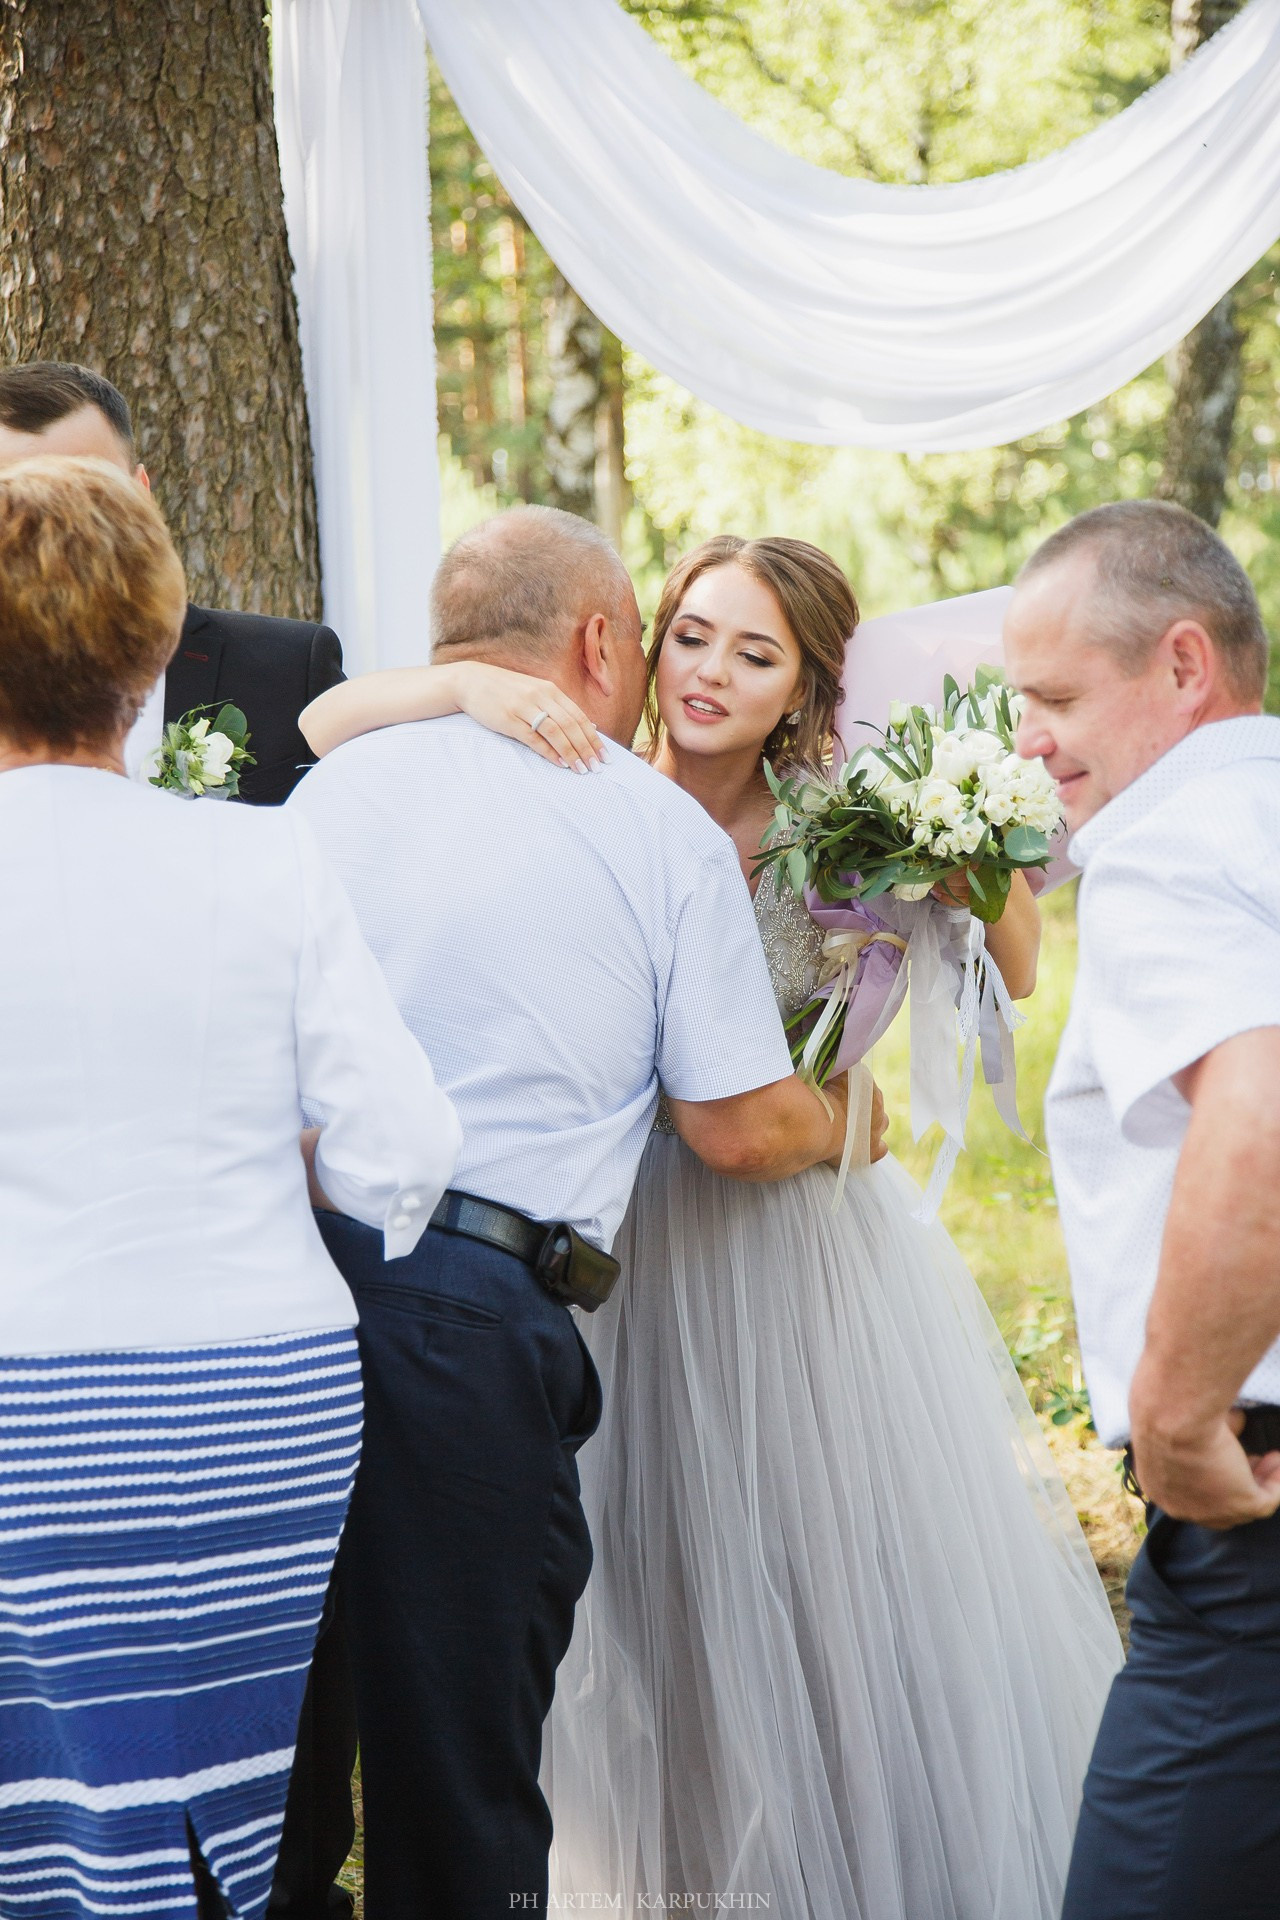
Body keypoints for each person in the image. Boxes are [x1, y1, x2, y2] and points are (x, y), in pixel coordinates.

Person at [306, 531, 1124, 1918]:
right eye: (691, 636)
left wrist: (962, 846)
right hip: (612, 1235)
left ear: (806, 685)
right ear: (631, 639)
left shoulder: (846, 821)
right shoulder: (587, 772)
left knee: (800, 1581)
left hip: (779, 1246)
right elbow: (328, 720)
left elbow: (1016, 962)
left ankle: (838, 1862)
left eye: (754, 654)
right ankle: (658, 1873)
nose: (708, 673)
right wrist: (467, 690)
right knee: (614, 1590)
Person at [285, 505, 858, 1920]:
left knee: (288, 1750)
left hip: (282, 1290)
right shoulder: (652, 827)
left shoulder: (325, 797)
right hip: (469, 1321)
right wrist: (853, 1116)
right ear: (606, 640)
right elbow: (733, 1124)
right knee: (459, 1770)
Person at [0, 454, 461, 1920]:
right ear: (153, 655)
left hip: (26, 1395)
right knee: (216, 1812)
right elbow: (402, 1155)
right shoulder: (267, 866)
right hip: (256, 1399)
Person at [1003, 498, 1280, 1920]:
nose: (1031, 740)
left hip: (1254, 1517)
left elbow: (1264, 1105)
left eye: (1055, 699)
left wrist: (1178, 1412)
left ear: (1184, 665)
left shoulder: (1170, 843)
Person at [0, 360, 344, 802]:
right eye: (18, 499)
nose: (59, 526)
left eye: (90, 492)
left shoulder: (287, 670)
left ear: (141, 493)